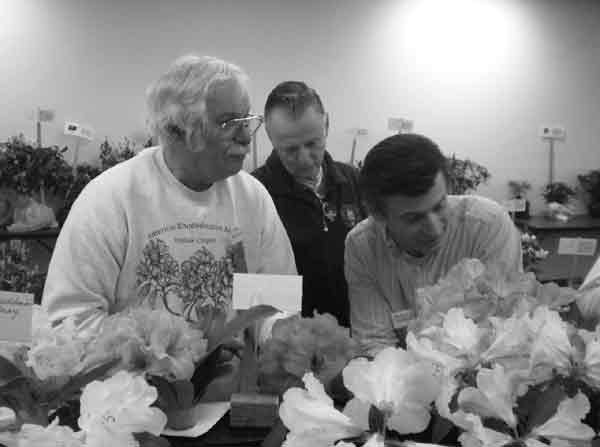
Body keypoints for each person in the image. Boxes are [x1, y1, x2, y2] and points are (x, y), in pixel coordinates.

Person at [42, 55, 296, 333]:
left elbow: (274, 307)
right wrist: (161, 358)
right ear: (179, 130)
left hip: (235, 374)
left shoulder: (252, 197)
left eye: (246, 120)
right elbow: (69, 321)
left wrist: (282, 339)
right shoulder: (111, 199)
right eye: (228, 122)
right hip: (132, 375)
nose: (246, 137)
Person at [345, 133, 522, 356]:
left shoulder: (487, 225)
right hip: (406, 380)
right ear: (379, 215)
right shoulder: (362, 246)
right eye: (413, 218)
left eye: (439, 206)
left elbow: (503, 327)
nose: (434, 228)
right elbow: (374, 341)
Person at [253, 81, 365, 327]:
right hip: (292, 345)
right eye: (290, 150)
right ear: (271, 138)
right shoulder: (254, 194)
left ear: (327, 124)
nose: (304, 159)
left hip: (358, 337)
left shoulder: (354, 181)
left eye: (313, 144)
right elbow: (254, 294)